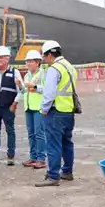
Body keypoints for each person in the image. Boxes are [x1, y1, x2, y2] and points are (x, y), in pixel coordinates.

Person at [35, 40, 78, 187]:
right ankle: (67, 171)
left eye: (44, 57)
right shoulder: (70, 67)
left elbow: (50, 93)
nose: (45, 60)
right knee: (67, 142)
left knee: (53, 145)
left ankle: (53, 176)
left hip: (56, 111)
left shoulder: (54, 69)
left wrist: (44, 110)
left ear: (49, 55)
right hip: (68, 111)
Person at [20, 50, 48, 169]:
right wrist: (20, 87)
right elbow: (25, 91)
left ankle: (41, 159)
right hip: (29, 107)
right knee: (31, 134)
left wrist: (35, 86)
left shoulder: (43, 74)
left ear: (38, 62)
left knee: (39, 134)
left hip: (38, 108)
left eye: (31, 61)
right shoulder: (27, 75)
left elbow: (47, 89)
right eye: (27, 61)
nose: (28, 63)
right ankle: (33, 157)